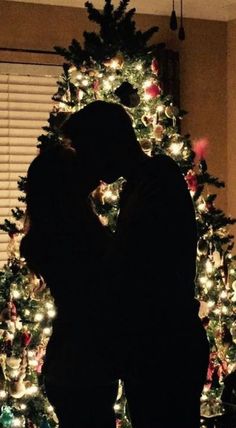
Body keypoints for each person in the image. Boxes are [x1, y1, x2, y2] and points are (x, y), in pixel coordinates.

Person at [62, 100, 210, 428]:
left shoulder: (157, 182)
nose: (86, 160)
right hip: (156, 346)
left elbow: (132, 267)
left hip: (166, 349)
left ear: (108, 143)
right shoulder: (139, 186)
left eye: (86, 149)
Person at [20, 144, 118, 428]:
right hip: (84, 364)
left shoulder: (52, 235)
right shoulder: (76, 239)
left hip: (70, 362)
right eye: (77, 164)